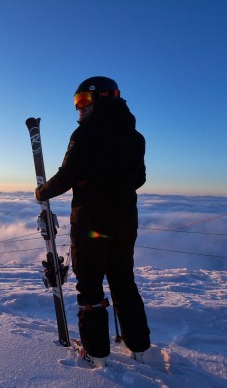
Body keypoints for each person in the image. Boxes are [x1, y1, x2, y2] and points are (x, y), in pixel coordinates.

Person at [35, 76, 151, 367]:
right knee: (124, 281)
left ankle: (96, 353)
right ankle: (139, 346)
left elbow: (67, 175)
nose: (79, 110)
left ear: (102, 99)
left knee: (89, 286)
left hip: (91, 223)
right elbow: (139, 178)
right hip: (125, 222)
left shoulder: (85, 135)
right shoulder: (136, 138)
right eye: (77, 103)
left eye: (84, 101)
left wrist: (41, 191)